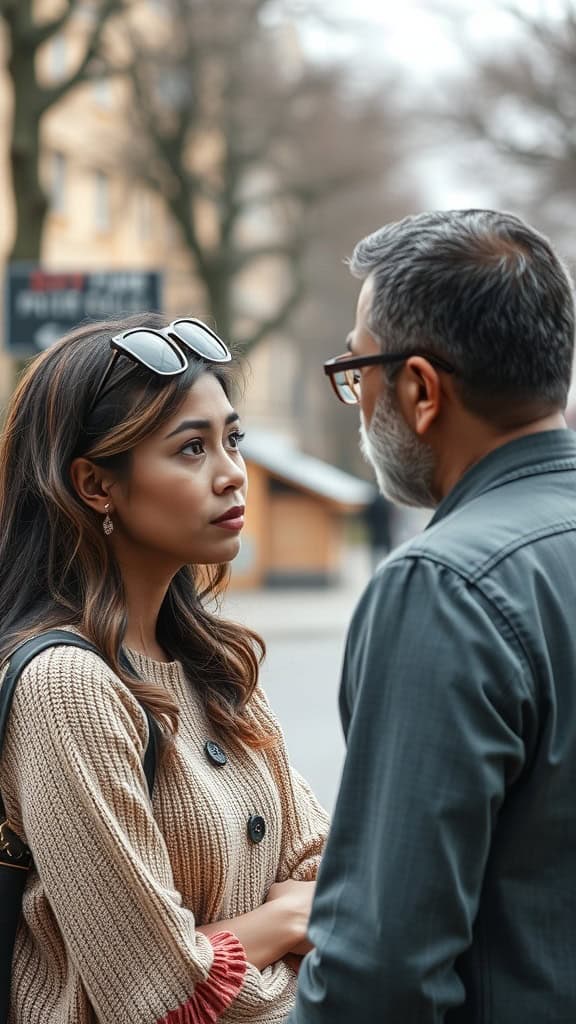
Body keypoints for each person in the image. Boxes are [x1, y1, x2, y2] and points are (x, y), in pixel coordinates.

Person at [289, 209, 576, 1023]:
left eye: (358, 365)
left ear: (418, 389)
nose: (356, 395)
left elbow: (379, 974)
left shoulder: (444, 587)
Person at [0, 314, 328, 1024]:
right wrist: (283, 930)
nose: (232, 473)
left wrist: (224, 948)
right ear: (95, 484)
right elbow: (165, 999)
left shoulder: (216, 666)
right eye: (190, 448)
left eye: (231, 439)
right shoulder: (68, 687)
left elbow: (337, 881)